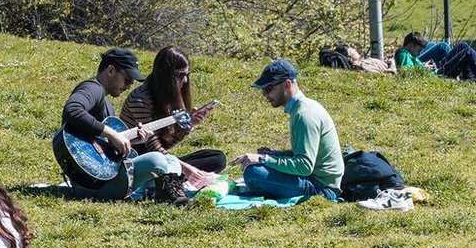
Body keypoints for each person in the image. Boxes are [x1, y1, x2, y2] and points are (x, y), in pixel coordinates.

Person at [58, 47, 185, 203]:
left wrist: (131, 141)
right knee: (157, 160)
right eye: (127, 79)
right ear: (110, 70)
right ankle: (165, 193)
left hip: (103, 177)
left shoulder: (107, 105)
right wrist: (112, 134)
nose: (129, 85)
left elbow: (102, 148)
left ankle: (170, 193)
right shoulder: (92, 88)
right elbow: (72, 110)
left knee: (171, 161)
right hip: (91, 185)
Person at [230, 60, 344, 200]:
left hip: (321, 189)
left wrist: (264, 158)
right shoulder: (301, 109)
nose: (265, 95)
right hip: (316, 180)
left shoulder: (305, 115)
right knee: (255, 170)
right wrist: (276, 154)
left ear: (287, 84)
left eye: (268, 89)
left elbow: (304, 166)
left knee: (253, 173)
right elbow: (306, 154)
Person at [119, 46, 226, 189]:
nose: (186, 80)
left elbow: (165, 144)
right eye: (181, 75)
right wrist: (186, 168)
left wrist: (189, 125)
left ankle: (175, 177)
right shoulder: (141, 99)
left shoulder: (168, 96)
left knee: (217, 158)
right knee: (163, 164)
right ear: (166, 75)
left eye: (187, 74)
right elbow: (152, 147)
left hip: (160, 156)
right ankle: (170, 180)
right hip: (140, 159)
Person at [394, 32, 476, 80]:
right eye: (419, 50)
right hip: (440, 75)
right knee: (467, 52)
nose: (419, 53)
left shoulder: (407, 53)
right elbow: (406, 74)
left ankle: (469, 78)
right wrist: (423, 68)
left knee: (462, 45)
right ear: (411, 46)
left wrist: (424, 65)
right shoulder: (404, 54)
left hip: (438, 71)